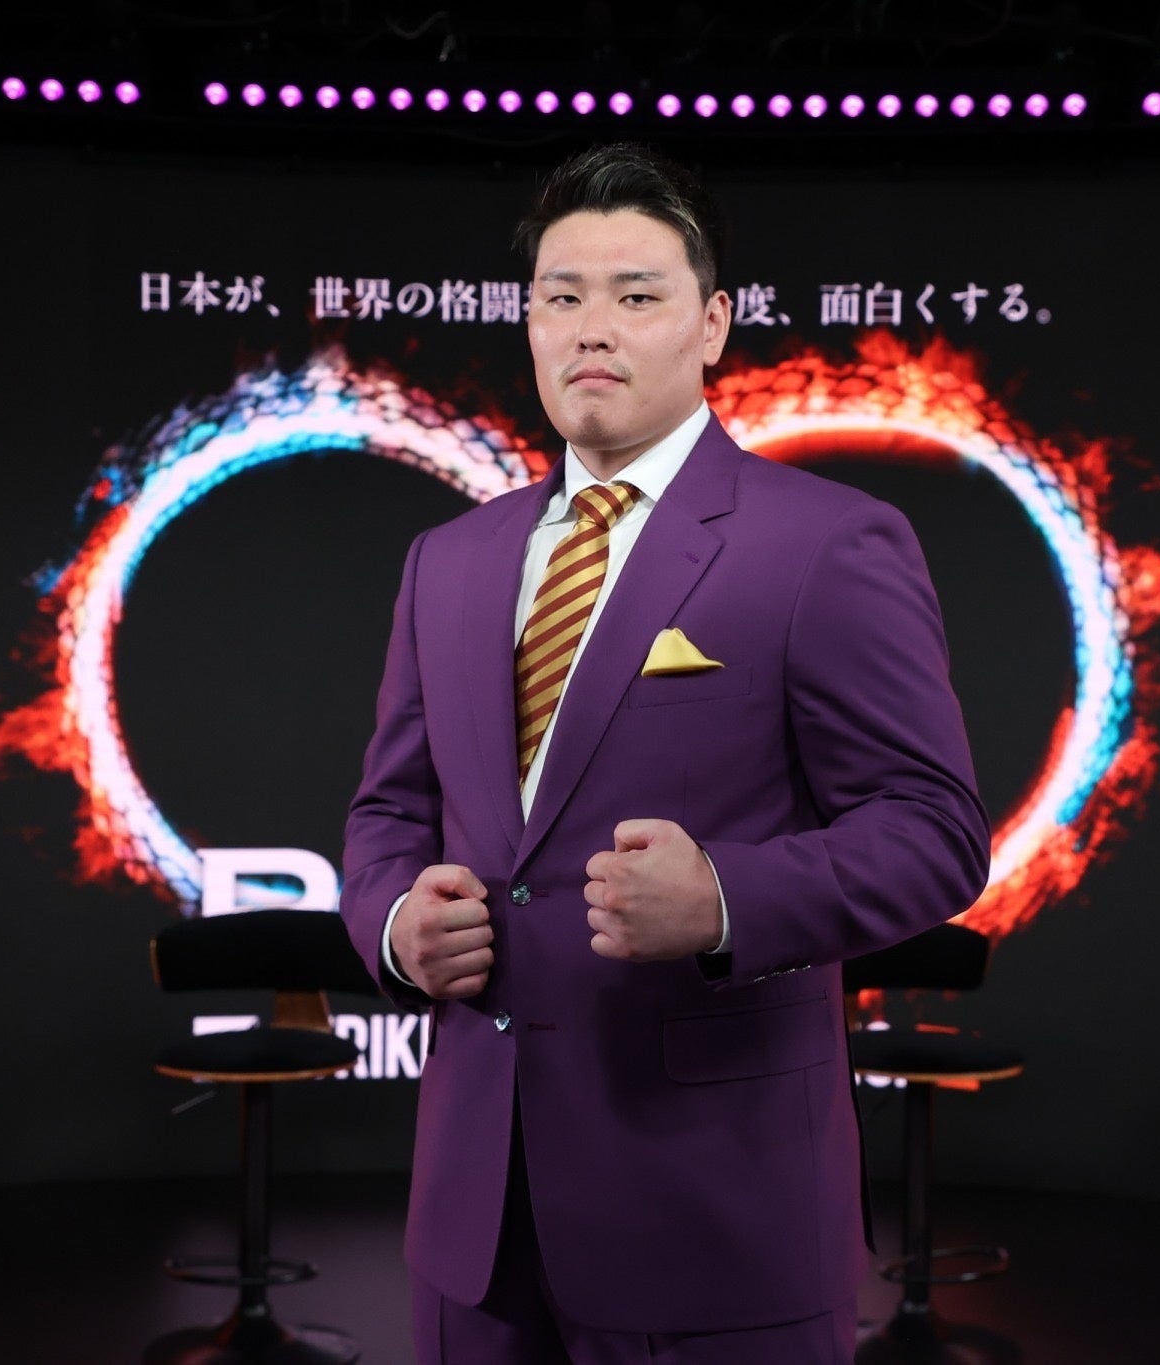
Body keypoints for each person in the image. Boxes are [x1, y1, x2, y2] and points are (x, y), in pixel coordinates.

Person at [340, 142, 990, 1364]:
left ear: (711, 326)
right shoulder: (449, 561)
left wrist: (726, 899)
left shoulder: (826, 543)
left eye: (635, 295)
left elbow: (934, 832)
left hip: (715, 1216)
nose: (592, 326)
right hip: (473, 1226)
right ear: (530, 323)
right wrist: (391, 925)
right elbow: (388, 813)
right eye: (561, 296)